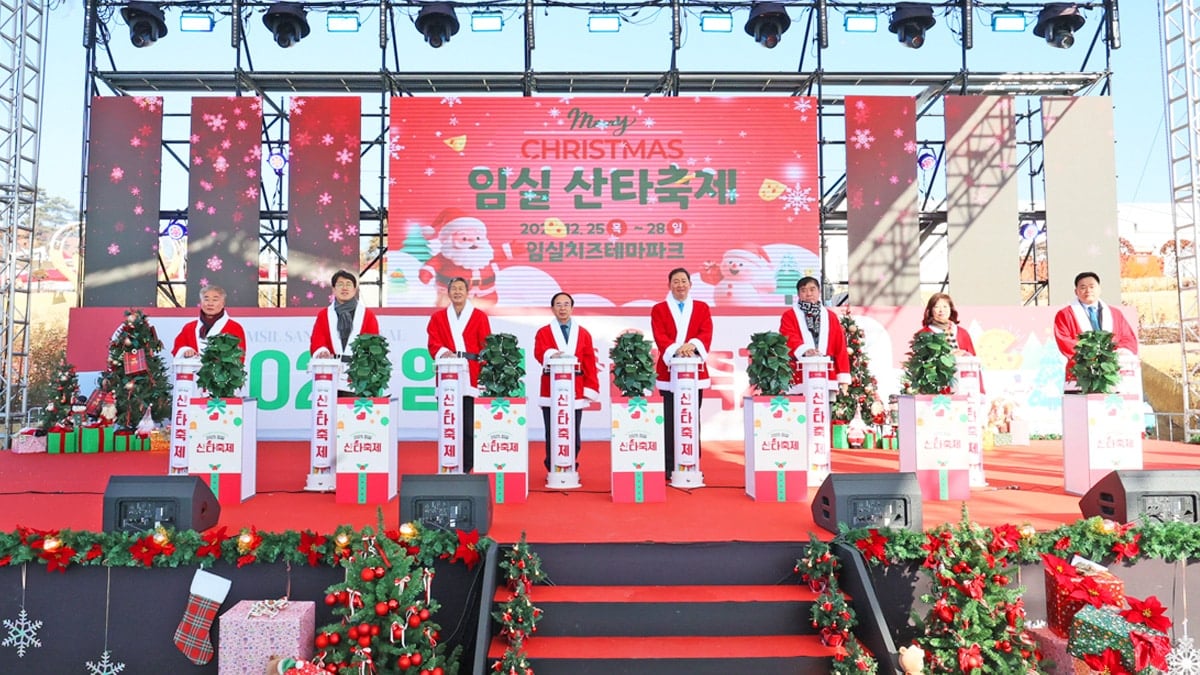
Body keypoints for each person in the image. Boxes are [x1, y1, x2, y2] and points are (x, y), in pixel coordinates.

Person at [650, 268, 712, 482]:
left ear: (690, 284)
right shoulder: (659, 309)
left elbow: (706, 332)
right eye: (675, 281)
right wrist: (677, 348)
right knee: (670, 418)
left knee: (692, 416)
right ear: (669, 285)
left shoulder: (702, 308)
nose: (680, 285)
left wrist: (691, 346)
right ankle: (668, 464)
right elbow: (660, 335)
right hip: (669, 372)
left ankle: (693, 460)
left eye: (683, 281)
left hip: (694, 371)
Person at [427, 277, 492, 473]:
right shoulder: (438, 318)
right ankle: (449, 463)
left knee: (469, 425)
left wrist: (484, 373)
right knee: (449, 422)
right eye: (453, 288)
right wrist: (442, 353)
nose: (457, 292)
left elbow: (486, 346)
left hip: (471, 373)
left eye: (461, 288)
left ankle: (468, 465)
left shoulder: (479, 316)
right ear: (448, 292)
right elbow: (433, 343)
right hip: (448, 373)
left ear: (467, 292)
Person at [534, 292, 600, 473]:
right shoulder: (544, 332)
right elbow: (539, 353)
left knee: (572, 429)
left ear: (572, 308)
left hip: (575, 388)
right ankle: (552, 466)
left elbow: (589, 362)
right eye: (558, 304)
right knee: (552, 429)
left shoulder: (583, 333)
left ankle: (571, 464)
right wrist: (551, 354)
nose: (562, 308)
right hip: (551, 387)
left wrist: (590, 387)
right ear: (552, 308)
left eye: (566, 304)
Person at [1053, 271, 1138, 387]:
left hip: (1112, 371)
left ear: (1099, 289)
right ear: (1076, 291)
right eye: (1083, 287)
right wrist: (1092, 354)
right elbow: (1064, 341)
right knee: (1079, 403)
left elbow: (1128, 338)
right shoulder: (1065, 315)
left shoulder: (1115, 314)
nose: (1088, 290)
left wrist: (1116, 354)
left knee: (1111, 404)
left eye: (1092, 286)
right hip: (1081, 372)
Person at [309, 270, 381, 397]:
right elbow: (317, 338)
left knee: (354, 413)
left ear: (354, 290)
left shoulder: (367, 315)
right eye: (340, 284)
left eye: (348, 284)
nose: (344, 288)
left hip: (358, 374)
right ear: (334, 290)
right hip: (330, 373)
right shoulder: (324, 315)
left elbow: (373, 343)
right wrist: (322, 351)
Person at [778, 276, 850, 389]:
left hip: (828, 374)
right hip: (799, 373)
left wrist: (843, 379)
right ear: (798, 293)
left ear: (819, 291)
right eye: (803, 290)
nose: (808, 293)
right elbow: (788, 337)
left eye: (812, 289)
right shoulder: (789, 316)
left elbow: (840, 347)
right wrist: (805, 350)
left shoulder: (831, 317)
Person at [172, 285, 247, 360]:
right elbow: (177, 347)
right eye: (206, 299)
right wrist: (185, 350)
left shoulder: (234, 327)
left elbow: (239, 356)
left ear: (223, 303)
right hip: (192, 371)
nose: (210, 303)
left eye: (215, 300)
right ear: (201, 302)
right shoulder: (189, 327)